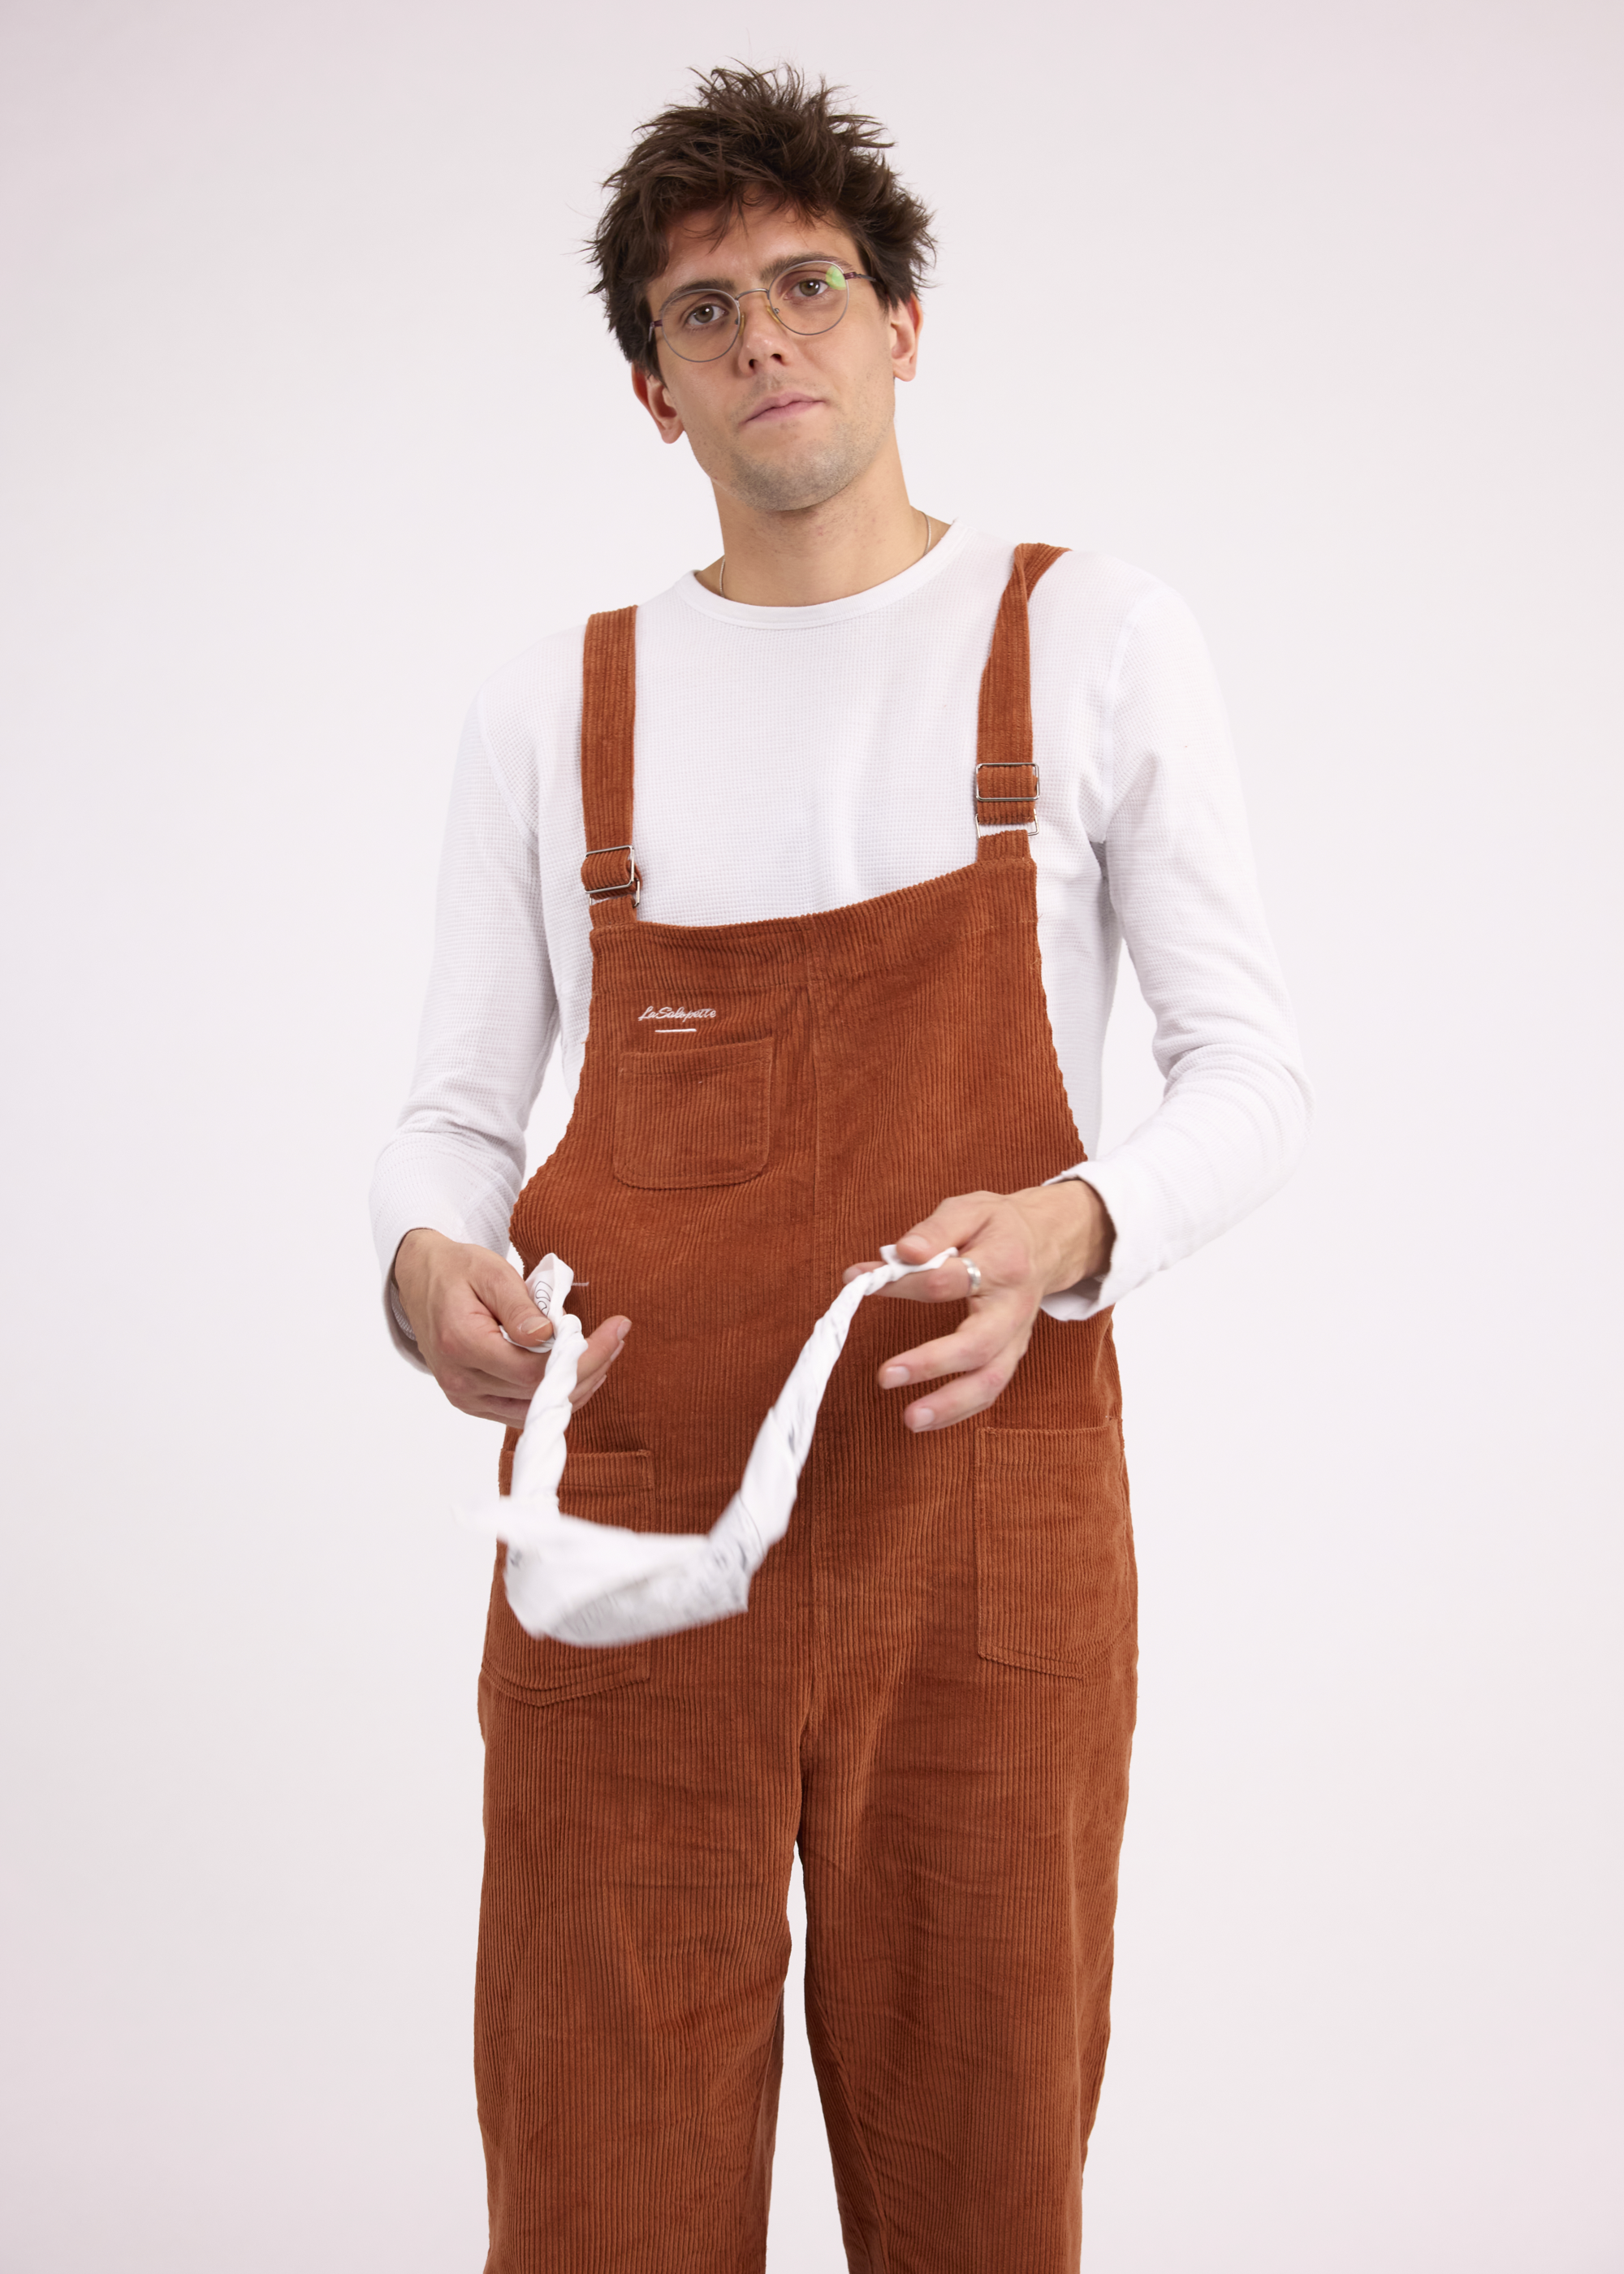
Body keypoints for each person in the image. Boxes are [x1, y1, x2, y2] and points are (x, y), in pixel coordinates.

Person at [371, 62, 1309, 2274]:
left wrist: (1078, 1223)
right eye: (703, 310)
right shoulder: (556, 702)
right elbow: (453, 1115)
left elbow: (1252, 1071)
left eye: (808, 285)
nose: (764, 337)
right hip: (630, 1519)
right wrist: (423, 1272)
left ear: (902, 326)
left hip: (981, 1521)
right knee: (601, 2173)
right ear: (652, 388)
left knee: (980, 2160)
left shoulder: (1091, 638)